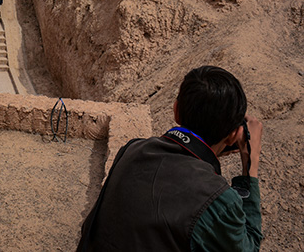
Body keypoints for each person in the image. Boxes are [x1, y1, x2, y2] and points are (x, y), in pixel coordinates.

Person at [77, 65, 263, 251]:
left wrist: (205, 150)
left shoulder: (132, 150)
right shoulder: (217, 201)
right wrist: (249, 167)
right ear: (233, 136)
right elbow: (248, 246)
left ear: (176, 111)